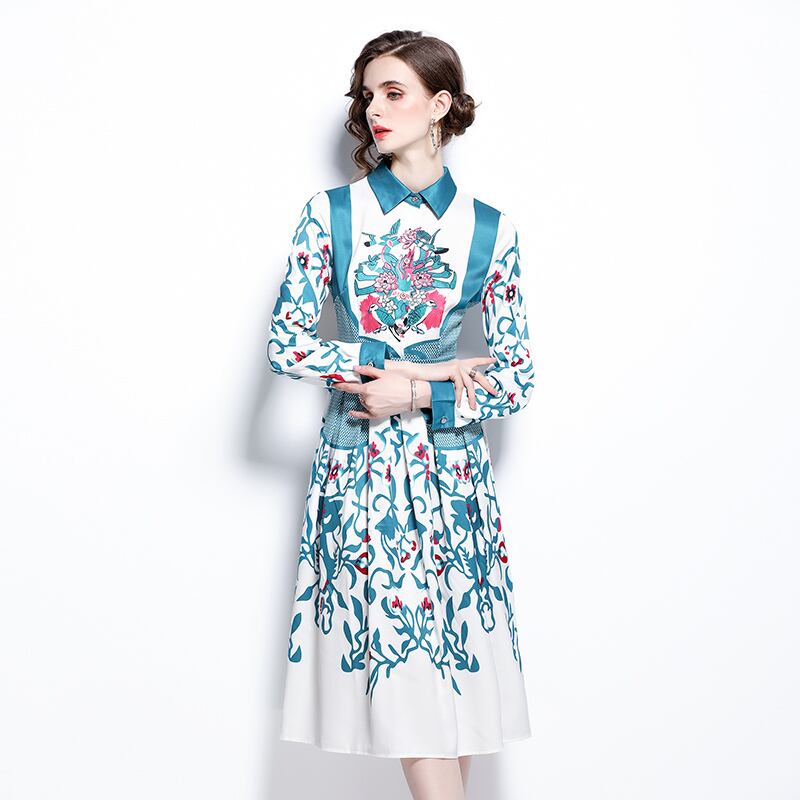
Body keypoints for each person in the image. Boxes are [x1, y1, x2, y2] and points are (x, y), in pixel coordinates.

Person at [267, 29, 535, 800]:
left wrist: (418, 388)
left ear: (439, 104)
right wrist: (403, 363)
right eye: (368, 95)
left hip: (455, 477)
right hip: (364, 470)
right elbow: (287, 343)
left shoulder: (491, 228)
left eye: (394, 93)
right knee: (410, 679)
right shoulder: (331, 214)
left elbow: (516, 376)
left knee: (459, 690)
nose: (374, 110)